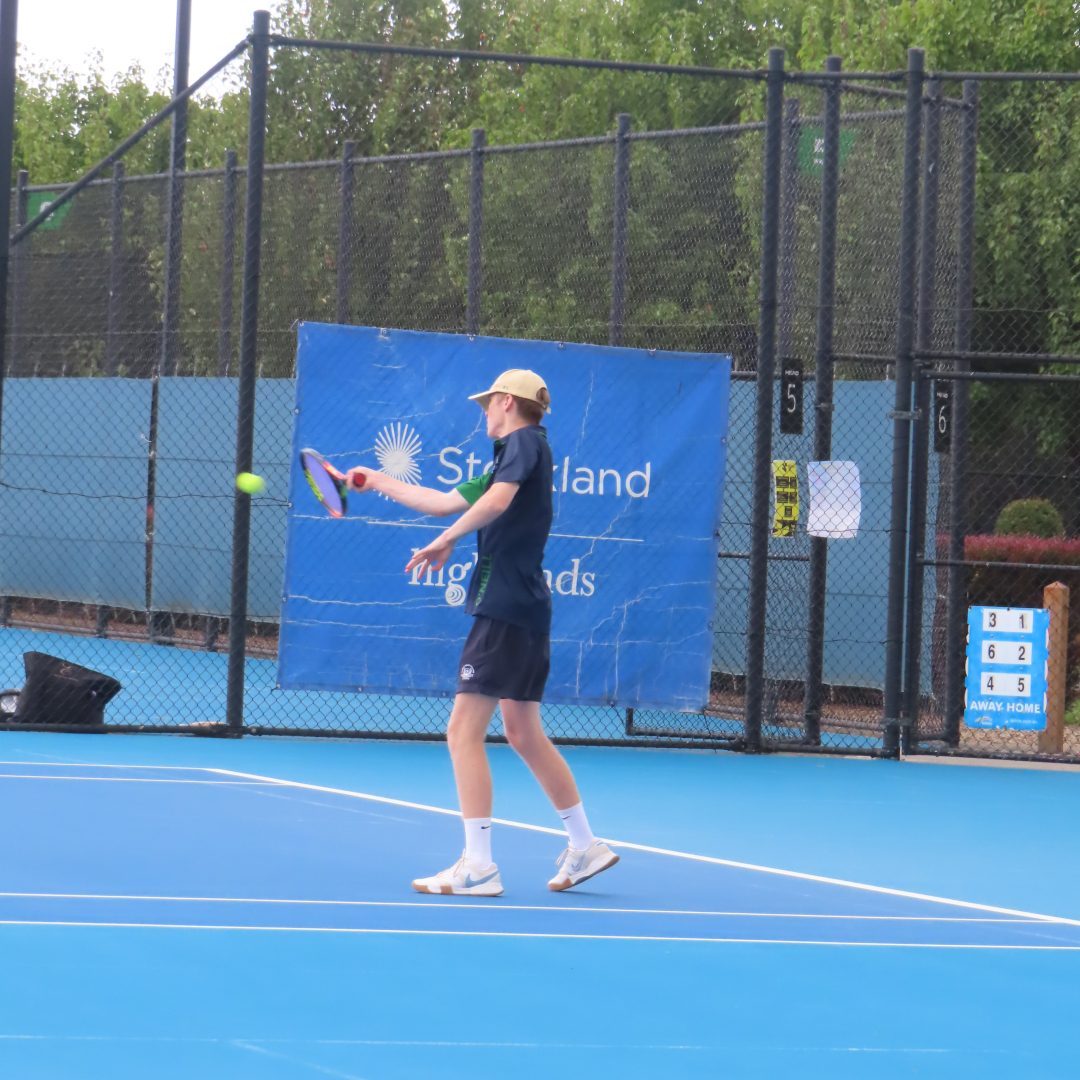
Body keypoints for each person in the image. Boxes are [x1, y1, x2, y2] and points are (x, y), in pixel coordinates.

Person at [348, 368, 619, 896]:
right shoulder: (512, 458)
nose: (483, 414)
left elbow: (492, 504)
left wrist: (444, 540)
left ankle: (477, 865)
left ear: (506, 402)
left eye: (487, 404)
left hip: (504, 606)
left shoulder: (523, 443)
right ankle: (585, 845)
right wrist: (376, 480)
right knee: (523, 733)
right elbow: (444, 501)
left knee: (462, 731)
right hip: (527, 608)